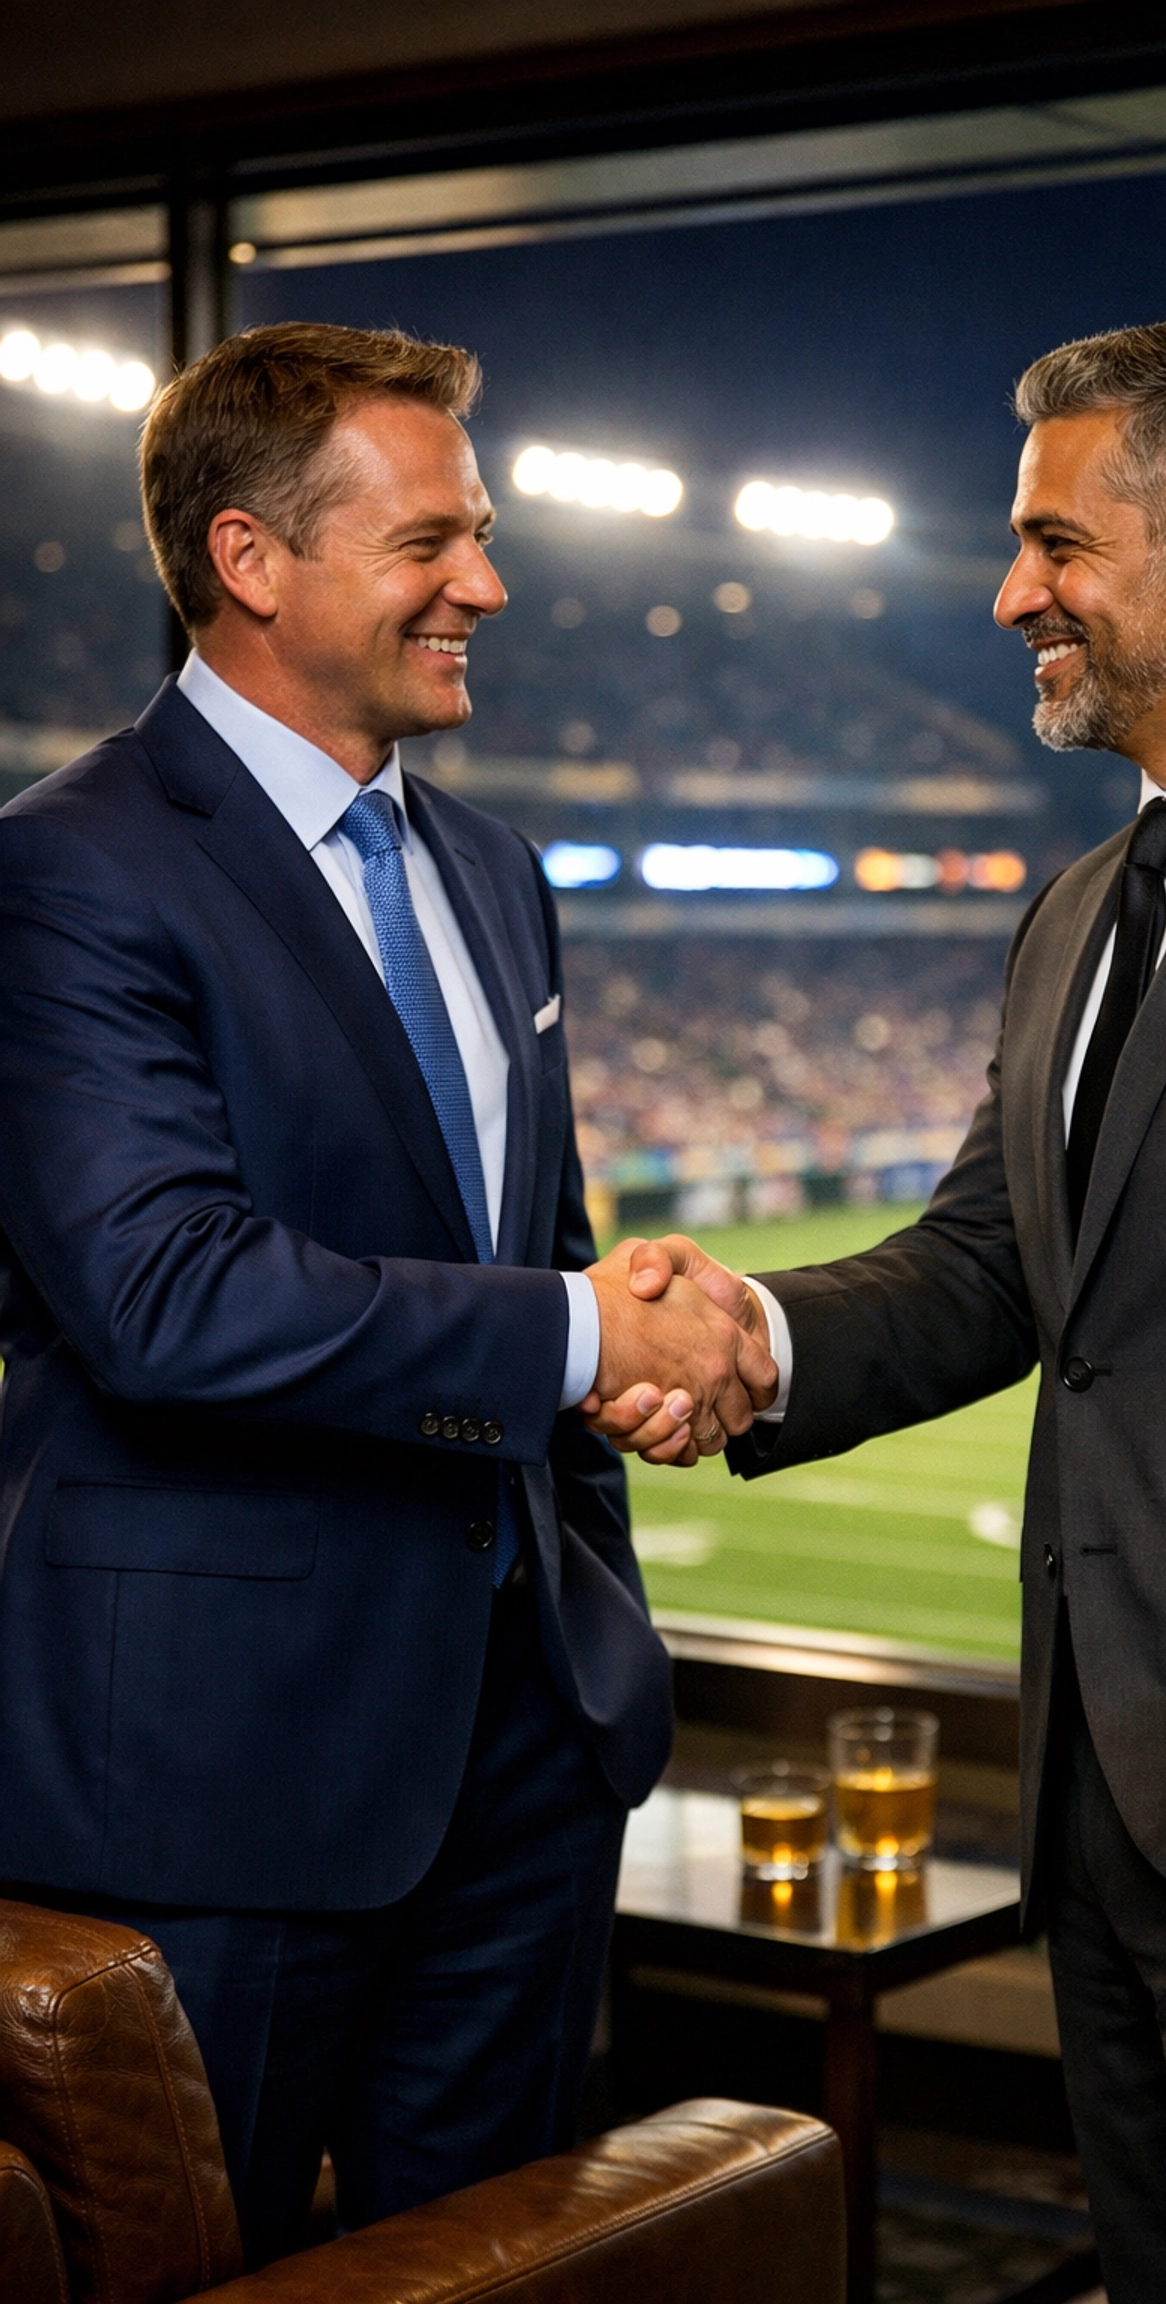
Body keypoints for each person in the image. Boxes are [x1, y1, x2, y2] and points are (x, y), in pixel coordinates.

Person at [592, 320, 1166, 2301]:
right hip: (1108, 1826)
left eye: (1052, 541)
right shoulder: (1084, 903)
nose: (1011, 590)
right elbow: (994, 1265)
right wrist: (741, 1337)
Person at [0, 321, 775, 2267]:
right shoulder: (69, 872)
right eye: (431, 539)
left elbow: (527, 1253)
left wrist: (633, 1351)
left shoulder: (497, 870)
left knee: (497, 2268)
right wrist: (593, 1334)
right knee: (201, 2272)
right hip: (216, 1775)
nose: (490, 584)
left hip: (525, 1747)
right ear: (252, 560)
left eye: (486, 533)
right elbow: (165, 1296)